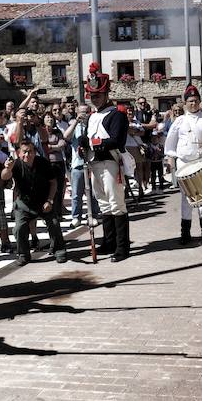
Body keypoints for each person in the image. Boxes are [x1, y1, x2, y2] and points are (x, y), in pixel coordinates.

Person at [81, 62, 131, 262]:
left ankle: (122, 248)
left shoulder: (117, 113)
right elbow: (89, 138)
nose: (95, 99)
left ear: (106, 94)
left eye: (98, 95)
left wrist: (92, 144)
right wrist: (83, 145)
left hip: (111, 163)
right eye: (92, 96)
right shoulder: (93, 116)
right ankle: (109, 242)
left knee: (117, 204)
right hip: (95, 164)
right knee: (103, 205)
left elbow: (117, 140)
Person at [164, 85, 202, 244]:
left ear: (199, 101)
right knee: (186, 199)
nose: (193, 104)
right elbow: (170, 143)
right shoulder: (179, 121)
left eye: (196, 101)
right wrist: (170, 161)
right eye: (190, 101)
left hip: (201, 162)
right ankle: (185, 234)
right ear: (185, 103)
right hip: (184, 163)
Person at [1, 140, 67, 265]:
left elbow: (53, 182)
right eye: (24, 152)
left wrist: (50, 200)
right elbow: (4, 176)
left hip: (44, 201)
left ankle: (59, 250)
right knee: (19, 227)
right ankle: (23, 254)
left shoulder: (43, 163)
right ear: (19, 153)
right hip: (24, 203)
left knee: (54, 223)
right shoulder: (15, 165)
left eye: (30, 151)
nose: (27, 155)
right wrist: (7, 168)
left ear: (34, 152)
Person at [66, 105, 101, 228]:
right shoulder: (74, 125)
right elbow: (66, 136)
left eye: (86, 112)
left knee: (92, 192)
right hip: (78, 164)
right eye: (82, 112)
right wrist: (76, 121)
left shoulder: (92, 126)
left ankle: (93, 215)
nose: (84, 114)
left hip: (91, 163)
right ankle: (76, 217)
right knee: (76, 193)